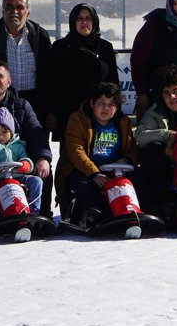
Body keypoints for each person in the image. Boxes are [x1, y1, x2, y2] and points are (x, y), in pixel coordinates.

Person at [55, 82, 140, 224]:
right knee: (83, 184)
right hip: (83, 169)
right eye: (102, 103)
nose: (106, 108)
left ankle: (136, 211)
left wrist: (126, 160)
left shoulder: (123, 122)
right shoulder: (78, 119)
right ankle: (99, 214)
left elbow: (133, 150)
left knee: (139, 178)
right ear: (92, 103)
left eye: (111, 104)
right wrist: (94, 173)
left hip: (115, 170)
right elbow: (75, 150)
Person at [46, 3, 119, 143]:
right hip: (68, 113)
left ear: (95, 21)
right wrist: (52, 112)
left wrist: (112, 108)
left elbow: (113, 83)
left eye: (88, 18)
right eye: (79, 18)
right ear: (73, 21)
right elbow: (52, 82)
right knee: (70, 158)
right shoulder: (61, 47)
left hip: (99, 113)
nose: (84, 22)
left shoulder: (105, 47)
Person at [0, 0, 52, 123]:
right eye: (9, 6)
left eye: (20, 7)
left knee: (34, 141)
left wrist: (50, 110)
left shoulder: (40, 36)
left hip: (34, 104)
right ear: (3, 10)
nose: (14, 11)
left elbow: (49, 74)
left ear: (28, 12)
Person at [0, 60, 51, 192]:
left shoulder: (21, 106)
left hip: (18, 167)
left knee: (43, 170)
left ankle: (40, 211)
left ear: (9, 81)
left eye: (0, 76)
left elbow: (36, 133)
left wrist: (43, 157)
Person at [134, 64, 177, 218]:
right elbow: (140, 136)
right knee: (153, 148)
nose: (171, 97)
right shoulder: (155, 111)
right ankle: (161, 203)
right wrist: (168, 134)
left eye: (175, 92)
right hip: (167, 166)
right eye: (166, 93)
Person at [0, 107, 42, 222]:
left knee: (36, 181)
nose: (0, 136)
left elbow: (24, 157)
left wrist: (26, 164)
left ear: (11, 131)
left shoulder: (18, 145)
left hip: (17, 177)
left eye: (4, 132)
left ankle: (34, 212)